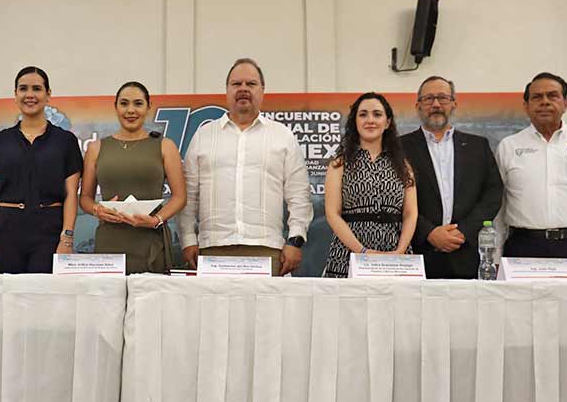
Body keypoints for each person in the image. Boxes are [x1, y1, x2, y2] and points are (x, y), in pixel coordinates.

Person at [179, 58, 313, 276]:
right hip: (212, 249)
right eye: (236, 84)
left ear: (262, 91)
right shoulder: (204, 136)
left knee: (267, 311)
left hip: (268, 250)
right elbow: (189, 195)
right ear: (226, 90)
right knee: (214, 311)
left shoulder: (282, 136)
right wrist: (187, 240)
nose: (243, 89)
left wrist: (295, 241)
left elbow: (299, 195)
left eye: (250, 84)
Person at [0, 66, 82, 274]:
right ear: (15, 95)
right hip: (6, 232)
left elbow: (70, 194)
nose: (29, 95)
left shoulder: (65, 141)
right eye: (23, 89)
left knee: (45, 299)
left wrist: (66, 239)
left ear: (48, 95)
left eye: (37, 89)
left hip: (50, 232)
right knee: (6, 299)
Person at [495, 72, 567, 280]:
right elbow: (499, 205)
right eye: (537, 97)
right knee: (521, 311)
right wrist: (495, 256)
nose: (545, 102)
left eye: (552, 96)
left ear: (566, 103)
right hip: (524, 246)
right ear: (526, 105)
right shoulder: (509, 146)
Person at [400, 76, 503, 279]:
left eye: (443, 98)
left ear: (454, 104)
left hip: (466, 254)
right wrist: (429, 232)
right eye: (429, 98)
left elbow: (492, 194)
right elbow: (394, 198)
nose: (436, 104)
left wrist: (463, 232)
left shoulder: (477, 146)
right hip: (417, 253)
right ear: (418, 106)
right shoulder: (400, 148)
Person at [79, 81, 186, 274]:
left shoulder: (165, 146)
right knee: (108, 303)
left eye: (138, 103)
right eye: (124, 103)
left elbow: (179, 197)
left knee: (151, 303)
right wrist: (97, 210)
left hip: (150, 242)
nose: (131, 110)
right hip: (109, 243)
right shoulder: (96, 148)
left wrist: (157, 220)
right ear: (116, 107)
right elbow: (85, 198)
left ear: (148, 107)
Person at [322, 92, 417, 278]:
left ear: (388, 122)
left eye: (377, 114)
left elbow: (410, 213)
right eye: (363, 114)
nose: (370, 120)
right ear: (355, 122)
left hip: (395, 256)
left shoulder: (403, 165)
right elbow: (332, 214)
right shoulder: (339, 164)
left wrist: (399, 251)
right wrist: (363, 252)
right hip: (348, 255)